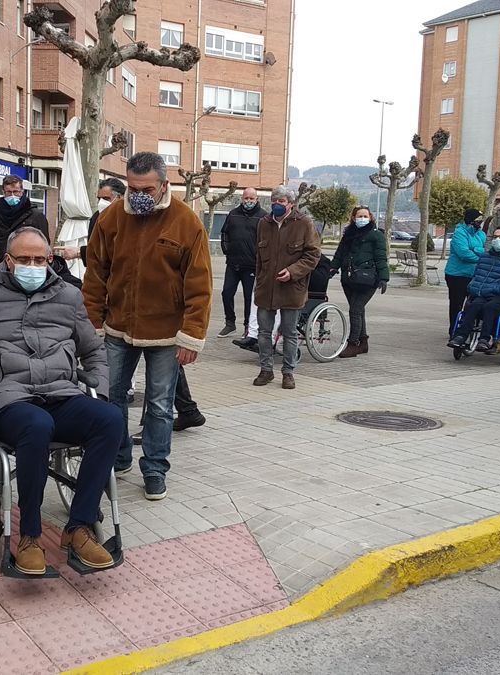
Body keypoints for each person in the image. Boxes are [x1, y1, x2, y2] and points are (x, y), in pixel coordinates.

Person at [0, 227, 120, 576]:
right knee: (37, 425)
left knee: (110, 419)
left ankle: (79, 526)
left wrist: (98, 391)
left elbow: (94, 352)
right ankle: (29, 536)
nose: (33, 266)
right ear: (8, 260)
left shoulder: (68, 297)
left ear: (50, 259)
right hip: (8, 399)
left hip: (60, 392)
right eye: (24, 259)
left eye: (40, 260)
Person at [82, 151, 212, 501]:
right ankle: (119, 457)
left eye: (146, 189)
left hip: (167, 333)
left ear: (165, 185)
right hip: (117, 328)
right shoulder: (111, 219)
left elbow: (199, 285)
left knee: (158, 405)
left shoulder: (186, 222)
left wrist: (192, 336)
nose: (137, 195)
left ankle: (154, 469)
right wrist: (93, 324)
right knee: (111, 400)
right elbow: (95, 275)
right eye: (131, 187)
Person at [251, 185, 321, 389]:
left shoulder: (304, 223)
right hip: (266, 288)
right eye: (274, 201)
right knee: (264, 333)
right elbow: (259, 258)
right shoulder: (264, 223)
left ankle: (288, 372)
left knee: (290, 333)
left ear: (291, 203)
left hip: (292, 288)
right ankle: (266, 370)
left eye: (281, 201)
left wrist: (293, 272)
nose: (277, 204)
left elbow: (313, 255)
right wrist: (259, 281)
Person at [447, 226, 500, 352]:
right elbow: (476, 277)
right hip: (482, 293)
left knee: (490, 307)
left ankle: (484, 339)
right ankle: (460, 336)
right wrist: (473, 287)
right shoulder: (485, 257)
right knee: (474, 305)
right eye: (495, 237)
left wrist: (493, 288)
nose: (497, 240)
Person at [330, 206, 390, 358]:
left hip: (367, 279)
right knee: (358, 310)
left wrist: (383, 278)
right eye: (359, 216)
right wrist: (332, 268)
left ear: (370, 218)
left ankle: (353, 343)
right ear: (353, 217)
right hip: (349, 279)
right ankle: (363, 342)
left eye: (365, 216)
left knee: (355, 309)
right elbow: (340, 253)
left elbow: (381, 257)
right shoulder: (348, 234)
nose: (362, 218)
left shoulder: (376, 235)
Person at [218, 188, 264, 338]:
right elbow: (224, 232)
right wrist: (226, 249)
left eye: (251, 198)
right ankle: (230, 323)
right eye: (246, 198)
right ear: (242, 198)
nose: (248, 201)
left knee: (248, 298)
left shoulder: (263, 217)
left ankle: (247, 327)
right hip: (233, 264)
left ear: (257, 199)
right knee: (226, 293)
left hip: (251, 265)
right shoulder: (233, 214)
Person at [61, 177, 126, 267]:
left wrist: (79, 252)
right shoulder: (96, 217)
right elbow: (94, 248)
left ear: (120, 197)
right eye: (99, 199)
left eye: (106, 199)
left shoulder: (130, 218)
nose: (101, 203)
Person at [444, 208, 488, 336]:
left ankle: (467, 328)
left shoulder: (481, 234)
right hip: (457, 275)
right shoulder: (460, 233)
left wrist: (475, 249)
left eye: (481, 220)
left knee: (473, 304)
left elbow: (486, 250)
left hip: (475, 275)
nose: (480, 222)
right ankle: (454, 329)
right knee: (456, 304)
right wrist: (480, 257)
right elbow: (464, 254)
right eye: (477, 220)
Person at [0, 175, 49, 265]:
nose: (12, 195)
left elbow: (45, 244)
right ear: (3, 192)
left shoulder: (35, 215)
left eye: (16, 192)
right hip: (2, 263)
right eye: (9, 192)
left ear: (22, 192)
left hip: (27, 264)